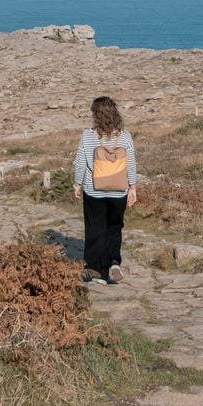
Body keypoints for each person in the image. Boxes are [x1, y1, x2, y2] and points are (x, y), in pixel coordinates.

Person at [73, 95, 136, 285]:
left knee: (95, 229)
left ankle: (97, 271)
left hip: (94, 192)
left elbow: (81, 165)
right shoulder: (125, 136)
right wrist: (132, 187)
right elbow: (131, 164)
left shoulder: (87, 136)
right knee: (115, 228)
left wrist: (77, 184)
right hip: (119, 192)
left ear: (96, 115)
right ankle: (114, 261)